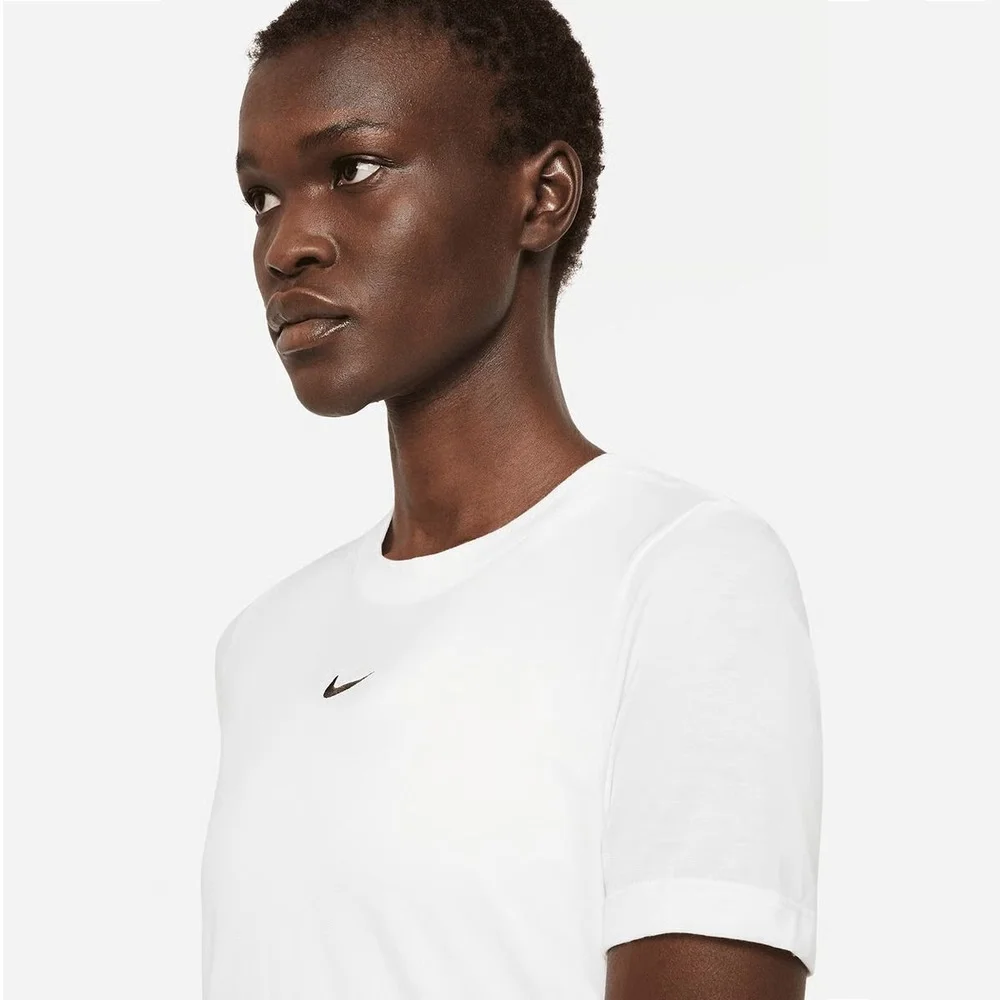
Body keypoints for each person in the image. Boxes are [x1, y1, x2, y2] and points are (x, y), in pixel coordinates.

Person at [201, 1, 823, 998]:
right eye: (261, 197)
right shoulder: (264, 644)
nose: (286, 245)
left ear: (543, 198)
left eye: (353, 169)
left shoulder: (679, 572)